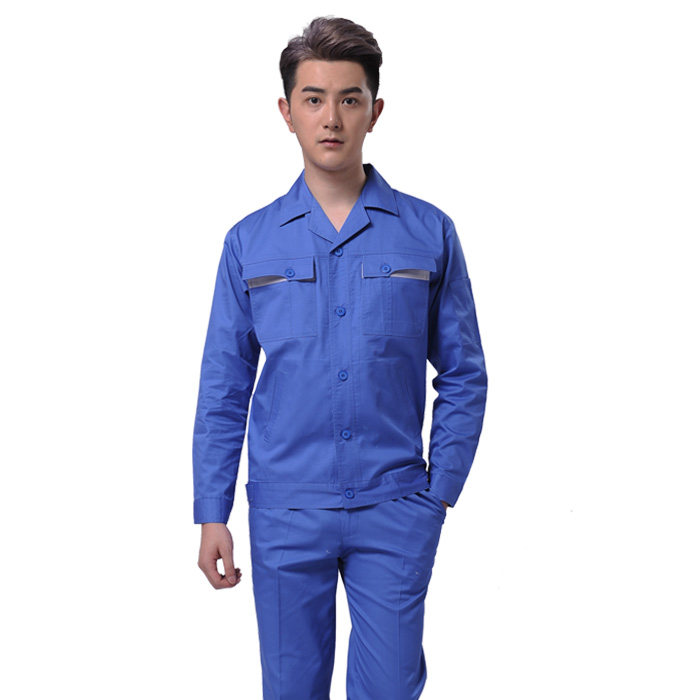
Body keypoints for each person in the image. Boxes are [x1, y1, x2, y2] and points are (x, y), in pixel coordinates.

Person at [192, 15, 488, 699]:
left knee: (389, 689)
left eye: (350, 99)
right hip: (285, 510)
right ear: (287, 112)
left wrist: (438, 492)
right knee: (290, 689)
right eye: (314, 99)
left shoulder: (428, 232)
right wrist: (212, 511)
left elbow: (465, 373)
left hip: (396, 505)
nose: (332, 118)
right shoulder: (249, 242)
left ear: (374, 112)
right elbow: (223, 386)